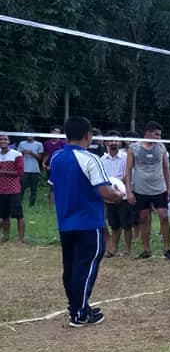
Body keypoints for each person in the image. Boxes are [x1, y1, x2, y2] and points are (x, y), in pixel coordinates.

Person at [49, 116, 124, 326]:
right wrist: (119, 195)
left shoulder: (56, 158)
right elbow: (105, 192)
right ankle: (79, 313)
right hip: (88, 223)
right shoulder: (90, 159)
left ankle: (78, 307)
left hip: (65, 223)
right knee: (86, 267)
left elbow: (55, 187)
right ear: (88, 135)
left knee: (72, 268)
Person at [125, 122, 170, 261]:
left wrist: (169, 188)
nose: (159, 137)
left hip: (159, 189)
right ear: (148, 133)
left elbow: (166, 168)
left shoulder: (161, 148)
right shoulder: (133, 148)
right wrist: (128, 191)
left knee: (164, 216)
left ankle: (167, 249)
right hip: (141, 190)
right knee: (144, 219)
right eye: (156, 134)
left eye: (160, 135)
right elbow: (128, 170)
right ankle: (146, 249)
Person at [100, 131, 135, 257]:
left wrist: (118, 184)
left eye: (116, 140)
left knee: (127, 224)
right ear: (106, 142)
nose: (113, 143)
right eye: (111, 140)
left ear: (120, 142)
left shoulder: (126, 157)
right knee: (114, 224)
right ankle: (112, 248)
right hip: (109, 196)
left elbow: (128, 174)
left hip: (124, 194)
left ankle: (127, 249)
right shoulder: (102, 159)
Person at [0, 134, 25, 243]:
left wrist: (2, 172)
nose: (2, 141)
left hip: (14, 189)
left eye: (5, 139)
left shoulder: (17, 154)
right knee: (4, 215)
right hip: (1, 190)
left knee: (19, 215)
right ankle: (6, 236)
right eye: (0, 139)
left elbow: (20, 172)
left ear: (9, 141)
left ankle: (20, 239)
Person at [17, 133, 44, 207]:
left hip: (35, 170)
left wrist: (32, 153)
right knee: (21, 187)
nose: (29, 137)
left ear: (34, 136)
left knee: (33, 188)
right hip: (24, 169)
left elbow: (40, 158)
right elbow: (17, 155)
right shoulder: (22, 143)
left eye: (31, 135)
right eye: (28, 135)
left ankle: (31, 205)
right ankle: (19, 203)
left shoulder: (39, 144)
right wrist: (23, 152)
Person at [42, 125, 65, 206]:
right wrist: (43, 163)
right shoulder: (46, 143)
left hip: (61, 168)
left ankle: (61, 205)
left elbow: (64, 156)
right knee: (52, 188)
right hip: (50, 168)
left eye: (58, 132)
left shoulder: (63, 143)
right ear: (51, 133)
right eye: (54, 132)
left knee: (62, 187)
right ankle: (51, 207)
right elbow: (46, 154)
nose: (56, 133)